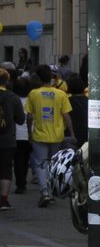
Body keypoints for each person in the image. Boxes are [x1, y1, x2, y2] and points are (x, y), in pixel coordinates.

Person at [25, 68, 72, 207]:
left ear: (39, 79)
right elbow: (66, 115)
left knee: (41, 163)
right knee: (53, 164)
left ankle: (45, 192)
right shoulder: (61, 94)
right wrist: (72, 132)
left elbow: (29, 116)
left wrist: (29, 132)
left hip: (39, 134)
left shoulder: (33, 94)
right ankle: (52, 191)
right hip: (57, 135)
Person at [0, 68, 23, 210]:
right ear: (7, 81)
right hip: (7, 139)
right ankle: (3, 200)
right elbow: (20, 120)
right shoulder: (13, 97)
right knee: (6, 169)